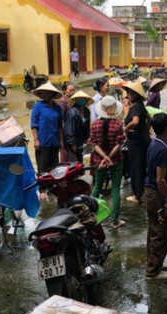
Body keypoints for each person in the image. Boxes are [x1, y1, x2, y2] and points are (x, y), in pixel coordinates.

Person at [144, 113, 167, 280]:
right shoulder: (162, 149)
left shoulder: (154, 143)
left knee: (154, 229)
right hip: (155, 193)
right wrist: (166, 200)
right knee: (159, 232)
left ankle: (155, 262)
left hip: (149, 190)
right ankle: (152, 271)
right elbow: (160, 179)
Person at [90, 96, 126, 229]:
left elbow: (94, 144)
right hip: (115, 160)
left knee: (97, 186)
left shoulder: (95, 124)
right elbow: (118, 144)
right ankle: (115, 221)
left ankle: (89, 216)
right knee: (116, 189)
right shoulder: (118, 124)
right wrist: (109, 158)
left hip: (99, 160)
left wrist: (104, 158)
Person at [122, 81, 150, 204]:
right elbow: (150, 118)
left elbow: (135, 121)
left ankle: (137, 196)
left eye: (133, 92)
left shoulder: (137, 106)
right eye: (129, 92)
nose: (130, 94)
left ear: (138, 94)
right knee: (140, 167)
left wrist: (125, 129)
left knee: (136, 168)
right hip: (141, 140)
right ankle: (140, 191)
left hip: (137, 143)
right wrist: (147, 130)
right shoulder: (138, 106)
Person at [30, 82, 64, 174]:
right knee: (43, 169)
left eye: (46, 92)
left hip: (54, 142)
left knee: (54, 169)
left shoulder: (57, 108)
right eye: (42, 93)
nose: (43, 94)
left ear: (52, 94)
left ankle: (53, 187)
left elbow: (60, 125)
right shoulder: (37, 107)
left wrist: (61, 140)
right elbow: (34, 125)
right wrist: (36, 140)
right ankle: (43, 188)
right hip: (43, 143)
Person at [64, 90, 92, 162]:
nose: (81, 100)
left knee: (81, 163)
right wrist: (71, 143)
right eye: (79, 99)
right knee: (73, 163)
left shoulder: (86, 112)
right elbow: (69, 128)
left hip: (81, 142)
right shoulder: (72, 112)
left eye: (83, 99)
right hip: (73, 143)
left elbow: (87, 127)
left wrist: (86, 138)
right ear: (75, 100)